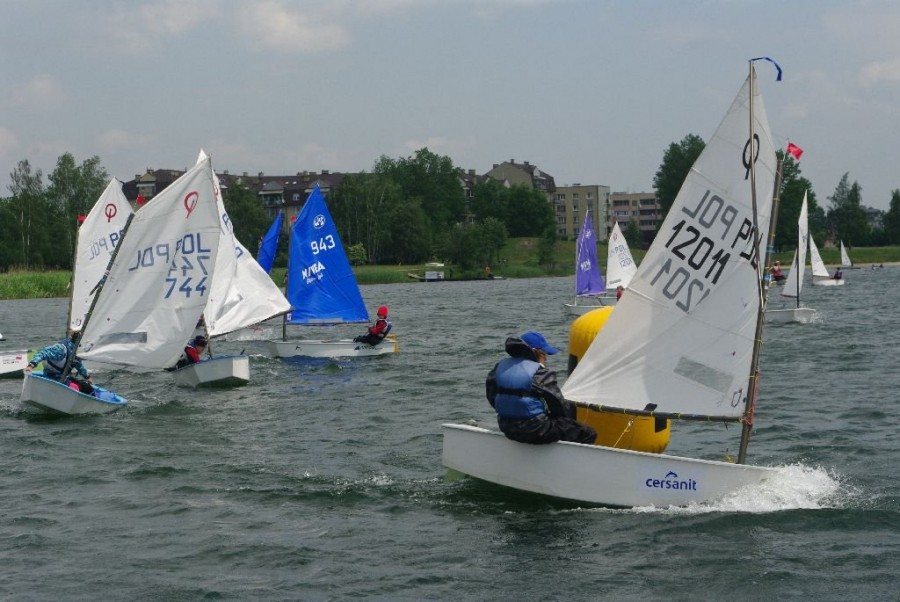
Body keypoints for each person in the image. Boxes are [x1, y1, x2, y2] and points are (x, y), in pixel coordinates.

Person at [486, 331, 597, 445]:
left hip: (506, 427)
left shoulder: (499, 367)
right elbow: (559, 405)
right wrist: (565, 421)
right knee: (587, 433)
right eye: (545, 354)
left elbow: (491, 396)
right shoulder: (540, 373)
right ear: (539, 353)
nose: (546, 358)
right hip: (535, 430)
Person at [24, 329, 94, 394]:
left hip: (63, 378)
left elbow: (79, 366)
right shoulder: (61, 349)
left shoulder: (76, 352)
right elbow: (43, 353)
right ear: (79, 341)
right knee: (75, 388)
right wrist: (31, 365)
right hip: (51, 377)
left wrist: (87, 377)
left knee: (89, 389)